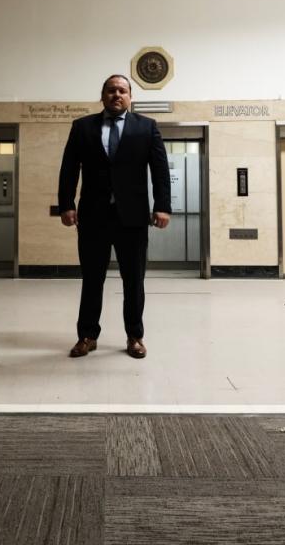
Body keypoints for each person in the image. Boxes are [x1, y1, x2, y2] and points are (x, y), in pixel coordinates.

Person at [58, 74, 171, 359]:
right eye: (111, 90)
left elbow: (159, 170)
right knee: (92, 279)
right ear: (103, 96)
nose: (116, 94)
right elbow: (69, 168)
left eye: (122, 90)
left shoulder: (147, 127)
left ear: (130, 96)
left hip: (132, 218)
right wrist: (66, 204)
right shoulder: (82, 127)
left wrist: (163, 206)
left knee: (133, 280)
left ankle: (135, 336)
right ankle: (87, 336)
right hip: (94, 216)